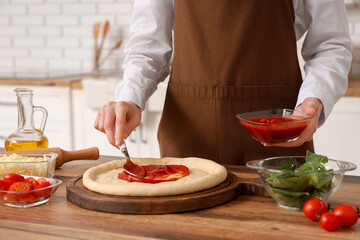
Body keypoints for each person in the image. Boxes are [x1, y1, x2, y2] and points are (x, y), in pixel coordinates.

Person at [94, 0, 352, 165]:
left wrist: (313, 100)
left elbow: (330, 44)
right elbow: (148, 47)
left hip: (278, 137)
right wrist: (130, 96)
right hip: (189, 136)